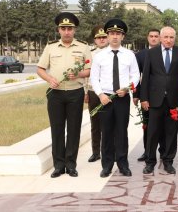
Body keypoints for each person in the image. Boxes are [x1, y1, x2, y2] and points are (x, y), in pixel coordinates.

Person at [37, 12, 92, 178]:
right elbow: (40, 69)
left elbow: (90, 69)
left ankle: (71, 165)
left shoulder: (83, 47)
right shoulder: (51, 47)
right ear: (58, 30)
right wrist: (50, 79)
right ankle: (59, 166)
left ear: (74, 30)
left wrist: (79, 75)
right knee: (57, 130)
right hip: (56, 94)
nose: (67, 31)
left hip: (75, 93)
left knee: (74, 130)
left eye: (70, 28)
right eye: (63, 28)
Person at [90, 18, 140, 178]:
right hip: (105, 99)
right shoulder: (99, 56)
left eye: (118, 33)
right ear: (108, 35)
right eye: (111, 33)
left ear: (123, 36)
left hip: (122, 98)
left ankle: (123, 164)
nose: (115, 36)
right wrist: (101, 95)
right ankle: (107, 165)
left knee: (121, 132)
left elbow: (136, 76)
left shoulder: (129, 55)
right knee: (106, 132)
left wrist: (127, 88)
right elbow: (94, 78)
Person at [140, 26, 178, 174]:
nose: (168, 40)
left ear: (175, 38)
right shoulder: (151, 53)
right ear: (161, 38)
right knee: (152, 133)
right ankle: (150, 162)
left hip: (174, 101)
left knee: (171, 133)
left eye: (171, 37)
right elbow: (146, 77)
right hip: (155, 100)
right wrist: (144, 98)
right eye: (166, 37)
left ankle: (168, 161)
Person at [133, 29, 162, 162]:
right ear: (147, 37)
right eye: (151, 36)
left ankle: (163, 151)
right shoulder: (141, 55)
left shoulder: (165, 52)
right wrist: (137, 94)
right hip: (147, 96)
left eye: (156, 36)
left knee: (163, 125)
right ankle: (147, 151)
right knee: (147, 125)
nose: (154, 39)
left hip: (162, 96)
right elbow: (136, 76)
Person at [85, 25, 109, 163]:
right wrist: (85, 92)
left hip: (108, 92)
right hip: (93, 92)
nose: (101, 40)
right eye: (99, 37)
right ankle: (95, 152)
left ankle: (110, 151)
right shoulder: (90, 54)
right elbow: (86, 75)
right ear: (94, 40)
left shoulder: (113, 52)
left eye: (104, 37)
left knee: (110, 123)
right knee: (95, 123)